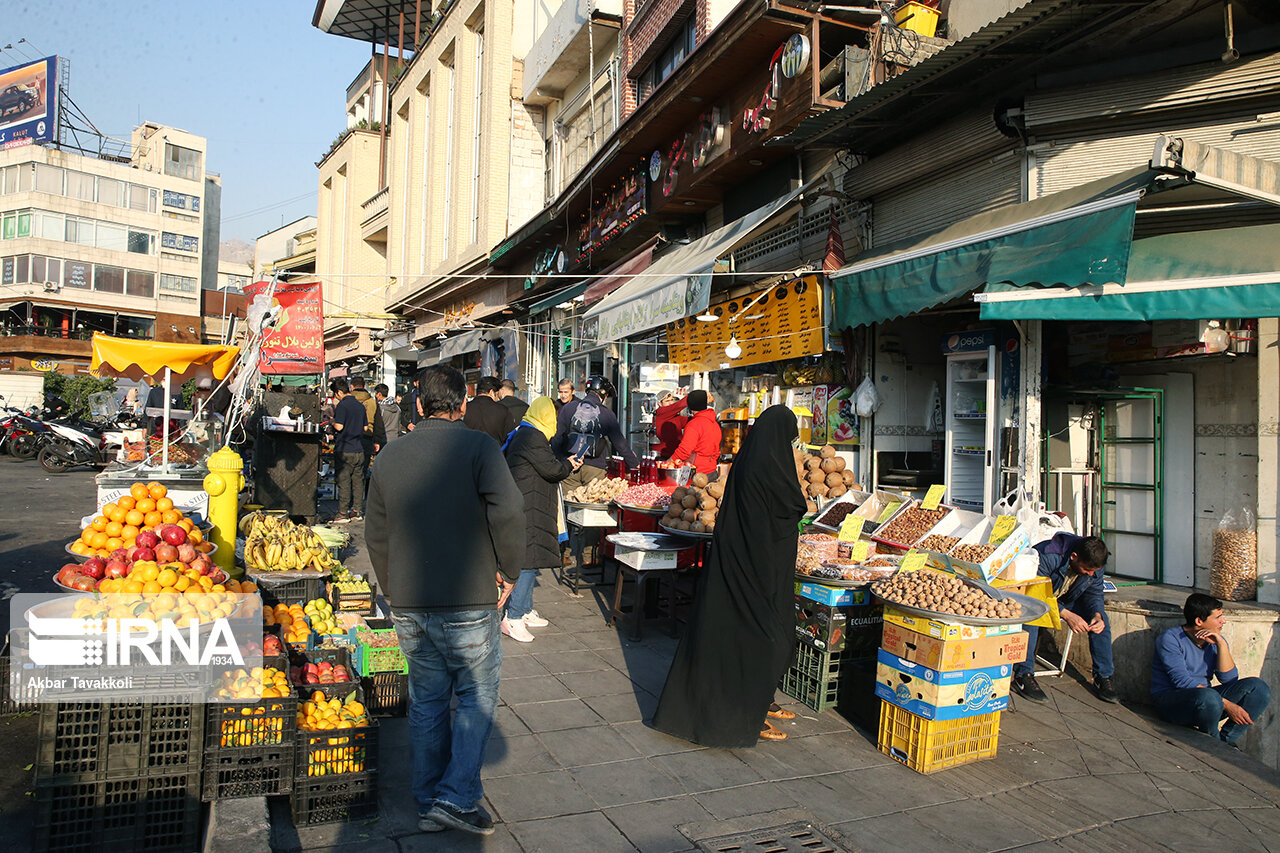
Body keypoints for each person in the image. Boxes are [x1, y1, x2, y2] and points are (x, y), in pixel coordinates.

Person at [366, 365, 525, 837]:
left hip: (411, 601)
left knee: (428, 701)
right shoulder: (479, 448)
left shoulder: (390, 457)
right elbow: (510, 510)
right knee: (476, 696)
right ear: (463, 404)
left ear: (417, 405)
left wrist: (393, 589)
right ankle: (455, 798)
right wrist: (510, 571)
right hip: (469, 598)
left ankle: (428, 799)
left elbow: (376, 533)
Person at [652, 405, 808, 747]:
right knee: (762, 639)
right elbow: (792, 506)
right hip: (757, 568)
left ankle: (760, 701)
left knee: (762, 635)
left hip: (744, 564)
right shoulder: (771, 468)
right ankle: (745, 713)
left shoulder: (749, 461)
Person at [500, 396, 581, 642]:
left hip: (531, 502)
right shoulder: (532, 437)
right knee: (527, 561)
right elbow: (552, 469)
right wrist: (568, 465)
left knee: (531, 561)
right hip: (528, 505)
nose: (555, 421)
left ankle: (523, 610)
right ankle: (513, 618)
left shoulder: (528, 432)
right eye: (553, 416)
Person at [1151, 593, 1271, 745]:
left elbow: (1229, 679)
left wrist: (1221, 645)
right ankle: (1214, 743)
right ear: (1199, 621)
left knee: (1259, 688)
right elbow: (1181, 681)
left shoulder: (1214, 639)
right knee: (1210, 697)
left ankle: (1226, 741)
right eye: (1218, 617)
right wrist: (1228, 705)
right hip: (1173, 702)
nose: (1223, 621)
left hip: (1207, 703)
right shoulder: (1170, 639)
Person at [1011, 535, 1117, 704]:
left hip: (1066, 598)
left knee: (1101, 622)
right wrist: (1066, 615)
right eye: (1087, 570)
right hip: (1037, 597)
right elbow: (1035, 594)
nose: (1091, 574)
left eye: (1094, 571)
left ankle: (1103, 677)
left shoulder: (1094, 565)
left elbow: (1095, 593)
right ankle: (1023, 675)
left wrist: (1096, 614)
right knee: (1030, 617)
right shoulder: (1046, 555)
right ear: (1074, 557)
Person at [551, 376, 639, 492]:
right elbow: (620, 444)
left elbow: (556, 438)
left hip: (570, 465)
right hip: (595, 468)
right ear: (603, 393)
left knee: (570, 504)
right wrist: (634, 464)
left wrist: (563, 460)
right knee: (591, 505)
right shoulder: (607, 413)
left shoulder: (568, 408)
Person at [328, 378, 368, 523]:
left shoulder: (343, 406)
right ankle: (357, 511)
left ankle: (343, 513)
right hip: (359, 449)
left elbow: (339, 427)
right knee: (358, 482)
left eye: (335, 394)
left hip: (345, 449)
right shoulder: (360, 405)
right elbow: (365, 428)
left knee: (344, 481)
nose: (335, 397)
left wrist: (332, 420)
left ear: (339, 392)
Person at [670, 389, 721, 475]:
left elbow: (684, 450)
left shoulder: (693, 424)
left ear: (690, 406)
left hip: (696, 473)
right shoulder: (714, 423)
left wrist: (670, 461)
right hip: (712, 470)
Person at [463, 377, 516, 443]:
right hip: (495, 451)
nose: (497, 399)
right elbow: (510, 438)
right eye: (497, 395)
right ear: (491, 392)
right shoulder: (503, 411)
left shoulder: (465, 408)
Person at [350, 377, 386, 454]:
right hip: (367, 437)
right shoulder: (372, 402)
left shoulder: (346, 401)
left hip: (349, 439)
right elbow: (378, 423)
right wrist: (377, 441)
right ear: (364, 386)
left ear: (351, 387)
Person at [653, 389, 689, 459]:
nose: (670, 403)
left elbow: (689, 421)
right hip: (663, 455)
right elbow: (678, 406)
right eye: (667, 401)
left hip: (675, 455)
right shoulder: (661, 413)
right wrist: (695, 396)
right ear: (659, 404)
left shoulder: (674, 416)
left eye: (671, 400)